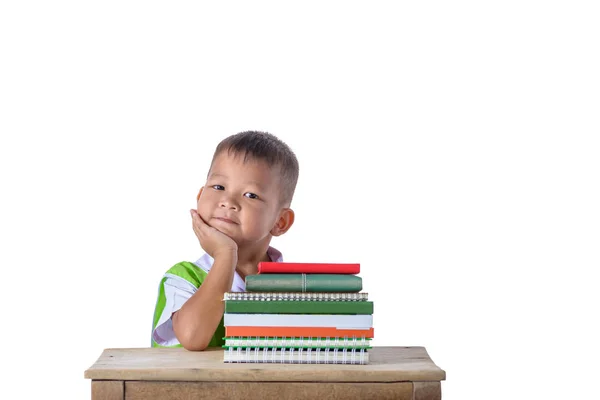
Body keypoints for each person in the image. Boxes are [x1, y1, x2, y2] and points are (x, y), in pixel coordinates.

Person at [151, 131, 299, 350]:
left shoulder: (296, 287)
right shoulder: (183, 279)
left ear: (280, 221)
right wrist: (225, 254)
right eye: (219, 187)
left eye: (251, 195)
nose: (228, 202)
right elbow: (193, 337)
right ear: (200, 196)